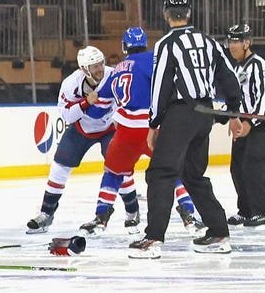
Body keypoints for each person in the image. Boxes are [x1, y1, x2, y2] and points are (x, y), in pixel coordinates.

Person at [129, 0, 245, 259]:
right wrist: (233, 111)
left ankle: (153, 238)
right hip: (204, 114)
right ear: (189, 13)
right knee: (193, 175)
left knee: (160, 173)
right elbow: (229, 76)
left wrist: (154, 122)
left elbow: (161, 85)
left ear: (166, 14)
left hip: (180, 114)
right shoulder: (208, 41)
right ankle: (219, 232)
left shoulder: (167, 43)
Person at [80, 28, 202, 237]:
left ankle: (101, 217)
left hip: (125, 132)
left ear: (124, 47)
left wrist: (85, 105)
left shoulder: (117, 69)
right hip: (152, 129)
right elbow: (171, 85)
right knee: (173, 170)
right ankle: (188, 213)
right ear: (145, 43)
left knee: (113, 173)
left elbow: (98, 108)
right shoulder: (153, 60)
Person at [25, 46, 115, 234]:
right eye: (94, 66)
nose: (100, 69)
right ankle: (46, 213)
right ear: (84, 69)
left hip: (110, 128)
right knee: (59, 168)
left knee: (118, 166)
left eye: (101, 64)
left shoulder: (113, 75)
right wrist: (85, 102)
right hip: (82, 129)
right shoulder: (71, 83)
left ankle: (130, 214)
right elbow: (66, 115)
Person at [225, 24, 265, 228]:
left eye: (236, 41)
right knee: (237, 168)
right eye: (230, 41)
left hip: (263, 124)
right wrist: (230, 116)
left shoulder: (259, 65)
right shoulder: (236, 68)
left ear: (247, 43)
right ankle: (246, 210)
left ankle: (264, 211)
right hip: (244, 124)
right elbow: (237, 99)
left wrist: (250, 121)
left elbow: (264, 98)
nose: (232, 46)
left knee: (255, 167)